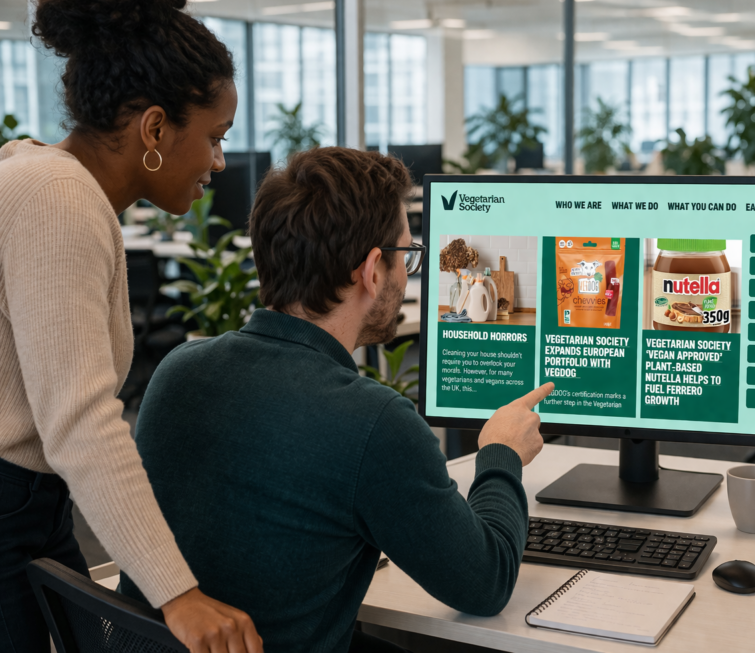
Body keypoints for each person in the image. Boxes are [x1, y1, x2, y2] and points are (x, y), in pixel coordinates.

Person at [120, 146, 555, 652]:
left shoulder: (177, 370)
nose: (406, 273)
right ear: (372, 271)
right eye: (407, 256)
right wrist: (500, 453)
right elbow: (485, 583)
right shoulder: (372, 421)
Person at [0, 0, 262, 651]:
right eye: (214, 136)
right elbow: (81, 422)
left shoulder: (55, 186)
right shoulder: (56, 197)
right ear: (154, 127)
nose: (219, 161)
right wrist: (181, 596)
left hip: (34, 501)